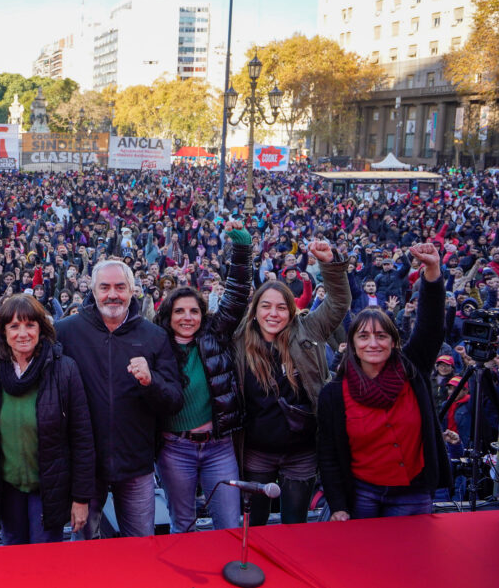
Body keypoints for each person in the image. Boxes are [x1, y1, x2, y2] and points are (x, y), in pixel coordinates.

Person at [318, 244, 451, 519]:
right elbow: (329, 455)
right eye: (364, 336)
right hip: (362, 495)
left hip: (413, 493)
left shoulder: (412, 370)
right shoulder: (333, 393)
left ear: (394, 341)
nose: (373, 343)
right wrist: (339, 505)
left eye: (381, 336)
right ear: (352, 345)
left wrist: (432, 272)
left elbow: (431, 327)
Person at [54, 260, 183, 539]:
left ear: (133, 290)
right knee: (84, 549)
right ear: (92, 290)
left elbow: (174, 400)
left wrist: (152, 382)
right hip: (85, 466)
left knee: (140, 545)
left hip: (136, 463)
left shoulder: (154, 336)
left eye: (120, 287)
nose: (113, 294)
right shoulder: (65, 332)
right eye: (105, 287)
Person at [235, 240, 351, 526]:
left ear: (291, 311)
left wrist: (330, 264)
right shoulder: (238, 340)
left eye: (281, 308)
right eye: (266, 307)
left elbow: (338, 302)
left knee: (295, 525)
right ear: (254, 310)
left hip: (301, 451)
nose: (273, 314)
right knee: (255, 525)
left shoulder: (309, 328)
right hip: (256, 451)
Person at [152, 221, 252, 532]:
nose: (187, 318)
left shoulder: (214, 335)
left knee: (228, 522)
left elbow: (237, 294)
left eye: (193, 311)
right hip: (174, 449)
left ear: (202, 313)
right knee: (182, 523)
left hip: (218, 446)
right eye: (179, 311)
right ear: (169, 315)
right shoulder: (156, 345)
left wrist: (242, 248)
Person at [0, 294, 95, 544]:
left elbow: (82, 439)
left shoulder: (64, 369)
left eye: (30, 325)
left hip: (48, 490)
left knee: (45, 568)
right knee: (14, 565)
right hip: (7, 491)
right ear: (2, 331)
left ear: (41, 328)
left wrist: (81, 498)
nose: (23, 333)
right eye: (14, 326)